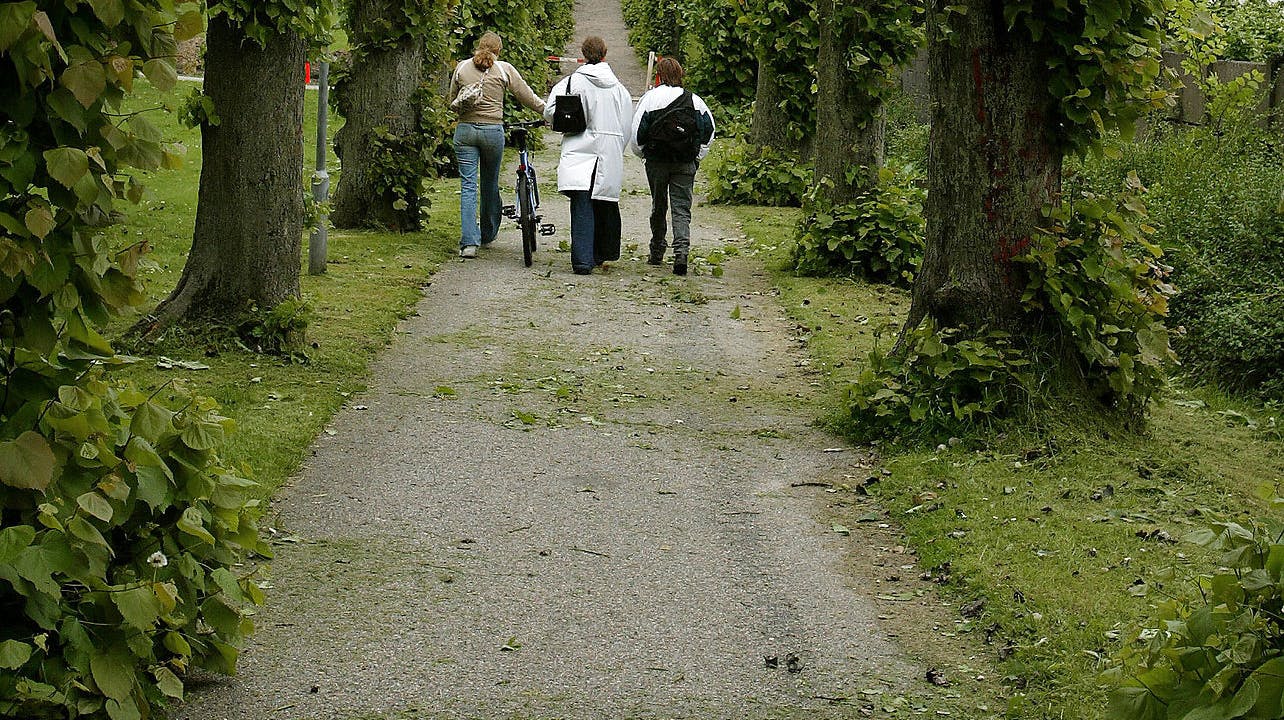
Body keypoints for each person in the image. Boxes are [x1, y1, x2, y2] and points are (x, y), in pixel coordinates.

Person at [448, 32, 546, 258]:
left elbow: (453, 98)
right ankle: (488, 233)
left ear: (478, 46)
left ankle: (468, 243)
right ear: (499, 50)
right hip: (493, 131)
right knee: (490, 183)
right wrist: (546, 111)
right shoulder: (503, 69)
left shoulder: (462, 68)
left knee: (468, 186)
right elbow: (526, 96)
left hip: (465, 131)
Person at [543, 36, 633, 275]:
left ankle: (582, 260)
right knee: (603, 203)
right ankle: (601, 253)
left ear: (582, 55)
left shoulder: (570, 83)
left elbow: (549, 112)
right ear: (604, 55)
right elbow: (627, 125)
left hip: (578, 148)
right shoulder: (619, 89)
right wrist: (617, 147)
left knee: (581, 203)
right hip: (608, 148)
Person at [629, 57, 715, 276]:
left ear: (658, 76)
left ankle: (657, 249)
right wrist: (697, 156)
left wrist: (643, 154)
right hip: (685, 161)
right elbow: (709, 130)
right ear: (681, 75)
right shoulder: (694, 101)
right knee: (681, 208)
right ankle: (681, 253)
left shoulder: (650, 99)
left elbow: (637, 133)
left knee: (659, 205)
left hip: (657, 161)